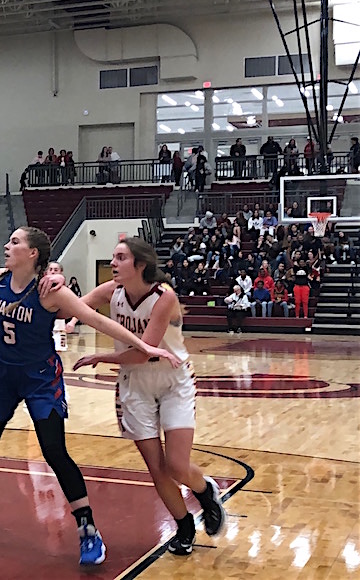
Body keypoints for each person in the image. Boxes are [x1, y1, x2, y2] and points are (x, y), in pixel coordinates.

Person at [0, 226, 175, 563]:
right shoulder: (0, 279)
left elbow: (97, 320)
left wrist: (143, 345)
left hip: (39, 377)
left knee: (54, 450)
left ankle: (88, 531)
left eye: (15, 242)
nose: (7, 246)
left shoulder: (51, 292)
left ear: (33, 253)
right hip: (0, 374)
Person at [71, 237, 227, 556]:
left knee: (177, 466)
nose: (113, 263)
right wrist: (72, 319)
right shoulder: (111, 292)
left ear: (140, 265)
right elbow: (79, 303)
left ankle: (206, 491)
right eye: (112, 257)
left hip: (172, 381)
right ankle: (184, 526)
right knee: (156, 469)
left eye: (121, 258)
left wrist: (99, 358)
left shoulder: (163, 297)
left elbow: (144, 353)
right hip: (134, 386)